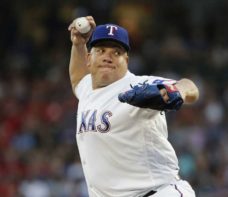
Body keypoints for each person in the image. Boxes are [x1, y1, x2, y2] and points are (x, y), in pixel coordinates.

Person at [68, 16, 199, 197]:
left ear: (126, 60)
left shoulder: (139, 85)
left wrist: (176, 91)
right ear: (89, 58)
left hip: (158, 193)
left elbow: (190, 87)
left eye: (116, 52)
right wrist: (78, 45)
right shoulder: (86, 89)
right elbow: (77, 79)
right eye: (101, 50)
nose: (108, 57)